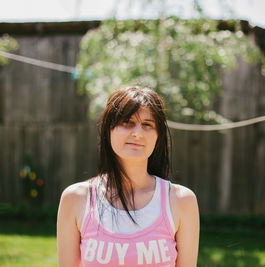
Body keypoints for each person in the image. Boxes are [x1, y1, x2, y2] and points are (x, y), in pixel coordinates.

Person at [57, 86, 199, 267]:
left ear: (158, 136)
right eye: (127, 122)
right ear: (109, 130)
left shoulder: (181, 200)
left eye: (147, 124)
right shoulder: (76, 198)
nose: (137, 133)